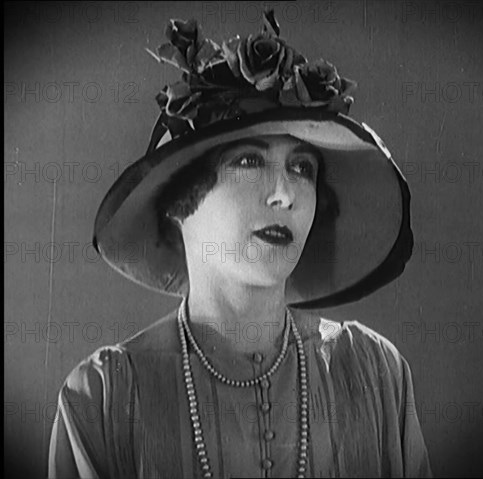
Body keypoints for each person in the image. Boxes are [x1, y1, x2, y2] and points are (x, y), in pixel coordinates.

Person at [48, 12, 432, 478]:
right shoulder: (103, 398)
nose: (285, 194)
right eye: (249, 161)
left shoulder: (373, 373)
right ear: (178, 201)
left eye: (303, 168)